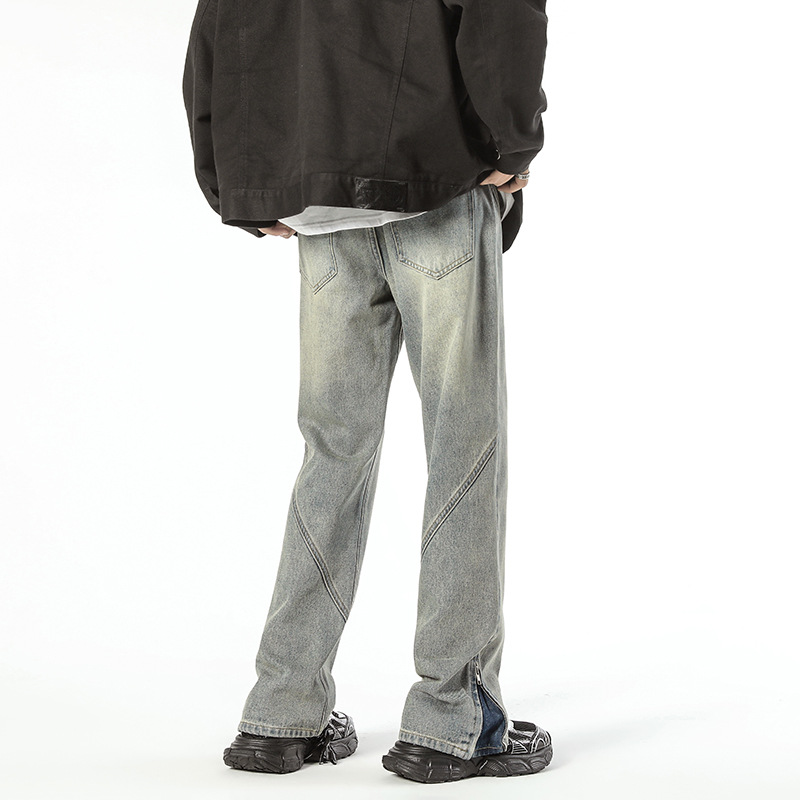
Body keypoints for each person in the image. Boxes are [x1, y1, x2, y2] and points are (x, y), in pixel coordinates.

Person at [183, 0, 551, 784]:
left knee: (332, 452)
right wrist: (512, 142)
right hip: (435, 182)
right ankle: (453, 720)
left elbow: (218, 26)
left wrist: (234, 182)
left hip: (317, 200)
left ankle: (281, 713)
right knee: (462, 443)